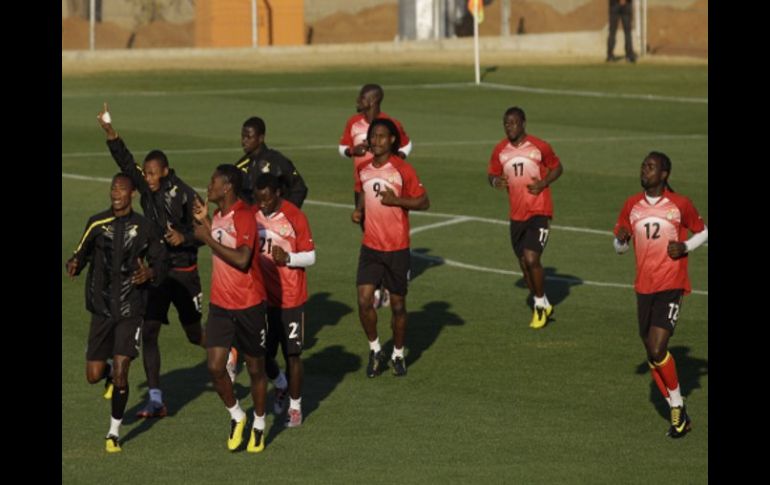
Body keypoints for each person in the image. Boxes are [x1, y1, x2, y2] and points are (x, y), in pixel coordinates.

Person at [97, 103, 205, 419]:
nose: (148, 177)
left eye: (154, 172)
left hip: (185, 274)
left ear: (166, 172)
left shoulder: (185, 194)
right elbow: (126, 163)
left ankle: (228, 351)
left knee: (194, 334)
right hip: (158, 273)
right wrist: (111, 132)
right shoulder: (145, 188)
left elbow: (206, 232)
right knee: (150, 332)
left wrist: (183, 238)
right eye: (147, 173)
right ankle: (156, 399)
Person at [66, 173, 167, 453]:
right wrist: (74, 264)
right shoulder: (97, 223)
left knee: (124, 371)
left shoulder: (146, 227)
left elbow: (162, 262)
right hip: (101, 308)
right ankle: (107, 372)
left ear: (132, 194)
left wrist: (151, 272)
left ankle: (113, 432)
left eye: (121, 190)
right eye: (113, 188)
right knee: (93, 375)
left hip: (131, 307)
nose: (115, 194)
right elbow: (80, 253)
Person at [613, 151, 707, 438]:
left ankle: (676, 404)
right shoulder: (631, 205)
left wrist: (686, 247)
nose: (645, 170)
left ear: (664, 174)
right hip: (644, 286)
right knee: (653, 355)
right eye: (643, 165)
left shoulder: (680, 204)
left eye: (651, 167)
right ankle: (681, 417)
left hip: (671, 284)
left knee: (657, 348)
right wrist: (621, 241)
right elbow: (619, 246)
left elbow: (704, 231)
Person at [192, 164, 269, 453]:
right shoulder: (223, 216)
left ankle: (259, 425)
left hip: (249, 305)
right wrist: (207, 222)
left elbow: (242, 260)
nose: (208, 186)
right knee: (214, 367)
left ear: (227, 187)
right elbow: (223, 240)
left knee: (255, 369)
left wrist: (207, 238)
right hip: (221, 305)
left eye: (213, 182)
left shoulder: (246, 215)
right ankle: (238, 415)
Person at [351, 118, 429, 378]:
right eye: (373, 136)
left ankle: (397, 353)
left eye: (382, 136)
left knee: (397, 306)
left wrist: (396, 200)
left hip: (397, 249)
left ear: (392, 140)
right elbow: (363, 190)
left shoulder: (402, 170)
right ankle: (375, 349)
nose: (376, 141)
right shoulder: (363, 168)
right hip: (370, 248)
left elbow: (424, 202)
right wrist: (360, 210)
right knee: (363, 301)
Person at [487, 106, 563, 329]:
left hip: (539, 211)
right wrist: (494, 182)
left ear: (523, 123)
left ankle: (539, 306)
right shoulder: (500, 150)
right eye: (506, 123)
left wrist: (544, 182)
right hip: (516, 215)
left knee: (531, 259)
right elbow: (491, 173)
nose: (509, 127)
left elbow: (558, 167)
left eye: (513, 122)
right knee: (523, 264)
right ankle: (545, 303)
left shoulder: (540, 146)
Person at [339, 83, 413, 308]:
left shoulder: (390, 124)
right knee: (369, 234)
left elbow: (408, 144)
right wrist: (353, 151)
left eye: (362, 97)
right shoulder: (353, 123)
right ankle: (379, 283)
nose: (358, 99)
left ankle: (391, 285)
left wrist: (397, 157)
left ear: (372, 100)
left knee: (389, 233)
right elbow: (341, 148)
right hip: (362, 187)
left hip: (388, 187)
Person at [253, 173, 316, 427]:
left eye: (266, 198)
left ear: (278, 193)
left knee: (293, 354)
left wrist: (288, 258)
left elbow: (311, 257)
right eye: (258, 199)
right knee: (261, 354)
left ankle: (295, 407)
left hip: (290, 298)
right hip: (261, 298)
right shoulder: (253, 215)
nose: (262, 204)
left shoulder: (295, 217)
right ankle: (280, 384)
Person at [235, 116, 308, 207]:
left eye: (249, 137)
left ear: (261, 138)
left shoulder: (277, 160)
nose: (244, 141)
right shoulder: (240, 166)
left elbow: (299, 188)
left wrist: (287, 213)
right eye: (243, 137)